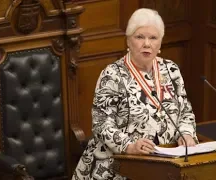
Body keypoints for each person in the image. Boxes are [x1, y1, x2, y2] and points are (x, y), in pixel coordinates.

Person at [72, 8, 198, 180]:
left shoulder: (171, 70)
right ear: (129, 41)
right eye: (140, 37)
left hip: (167, 162)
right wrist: (129, 146)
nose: (147, 44)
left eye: (153, 38)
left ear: (160, 43)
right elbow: (101, 124)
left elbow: (185, 111)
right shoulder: (112, 75)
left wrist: (186, 133)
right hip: (118, 164)